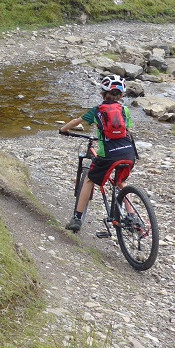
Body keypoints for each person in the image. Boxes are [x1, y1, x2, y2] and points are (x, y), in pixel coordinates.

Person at [58, 74, 136, 232]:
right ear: (121, 96)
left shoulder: (97, 110)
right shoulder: (125, 110)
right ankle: (132, 216)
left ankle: (77, 219)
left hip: (109, 154)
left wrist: (63, 130)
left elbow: (75, 122)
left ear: (102, 93)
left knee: (89, 180)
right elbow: (127, 130)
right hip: (129, 152)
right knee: (121, 182)